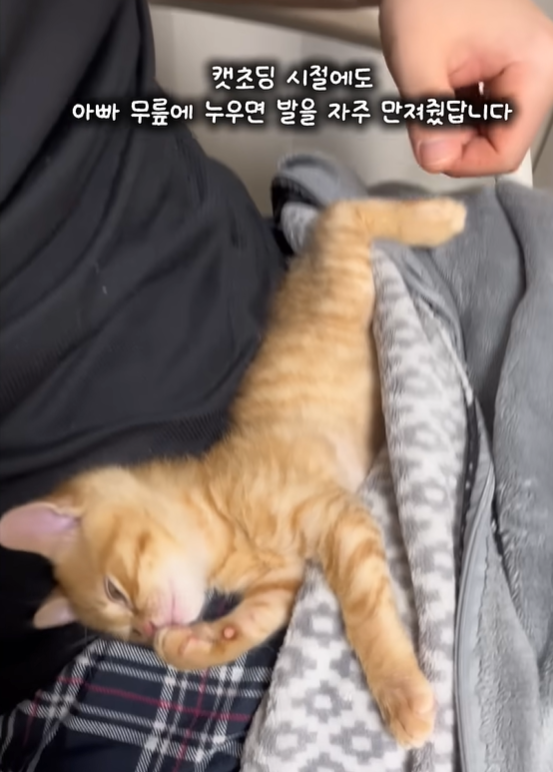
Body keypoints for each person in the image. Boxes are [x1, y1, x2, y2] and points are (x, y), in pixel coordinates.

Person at [0, 0, 552, 768]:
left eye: (124, 602)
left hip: (237, 327)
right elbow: (280, 572)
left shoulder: (221, 495)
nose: (150, 625)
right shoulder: (206, 556)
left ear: (72, 514)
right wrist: (222, 633)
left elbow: (335, 526)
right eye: (132, 624)